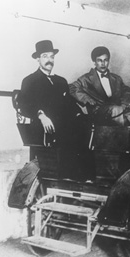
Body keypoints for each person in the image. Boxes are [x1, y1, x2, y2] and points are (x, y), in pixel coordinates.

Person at [17, 40, 83, 179]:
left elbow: (69, 104)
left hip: (63, 126)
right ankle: (62, 178)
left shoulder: (61, 81)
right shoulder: (30, 80)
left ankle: (78, 179)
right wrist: (41, 115)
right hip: (42, 127)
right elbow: (25, 105)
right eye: (45, 56)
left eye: (52, 57)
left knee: (82, 127)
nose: (49, 60)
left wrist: (79, 114)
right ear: (37, 59)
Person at [69, 46, 130, 126]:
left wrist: (124, 104)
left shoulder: (116, 78)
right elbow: (72, 88)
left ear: (108, 61)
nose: (103, 63)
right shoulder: (86, 78)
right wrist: (86, 99)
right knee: (116, 110)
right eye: (99, 60)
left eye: (105, 60)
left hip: (118, 109)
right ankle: (119, 137)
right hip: (98, 112)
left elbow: (126, 91)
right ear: (94, 62)